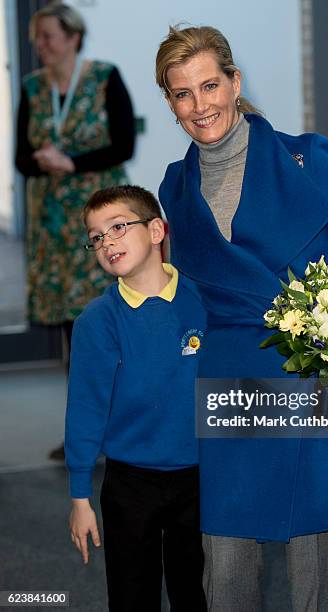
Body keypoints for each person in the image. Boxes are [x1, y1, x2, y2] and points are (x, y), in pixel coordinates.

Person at [156, 25, 328, 611]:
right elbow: (182, 298)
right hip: (230, 384)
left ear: (235, 84)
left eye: (210, 85)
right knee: (228, 572)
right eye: (182, 93)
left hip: (318, 374)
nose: (200, 105)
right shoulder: (174, 188)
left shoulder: (309, 157)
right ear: (170, 103)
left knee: (317, 575)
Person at [65, 185, 207, 611]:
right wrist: (79, 498)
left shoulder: (204, 301)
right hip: (130, 484)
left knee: (195, 591)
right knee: (131, 595)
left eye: (119, 227)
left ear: (157, 230)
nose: (107, 242)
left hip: (201, 477)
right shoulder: (97, 322)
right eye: (96, 237)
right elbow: (85, 411)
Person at [15, 3, 135, 459]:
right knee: (72, 332)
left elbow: (123, 144)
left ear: (72, 36)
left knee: (109, 322)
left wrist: (72, 162)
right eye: (36, 37)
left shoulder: (105, 77)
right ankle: (83, 436)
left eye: (46, 36)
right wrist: (41, 160)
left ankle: (125, 429)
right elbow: (19, 160)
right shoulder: (31, 87)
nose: (39, 45)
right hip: (53, 229)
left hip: (101, 224)